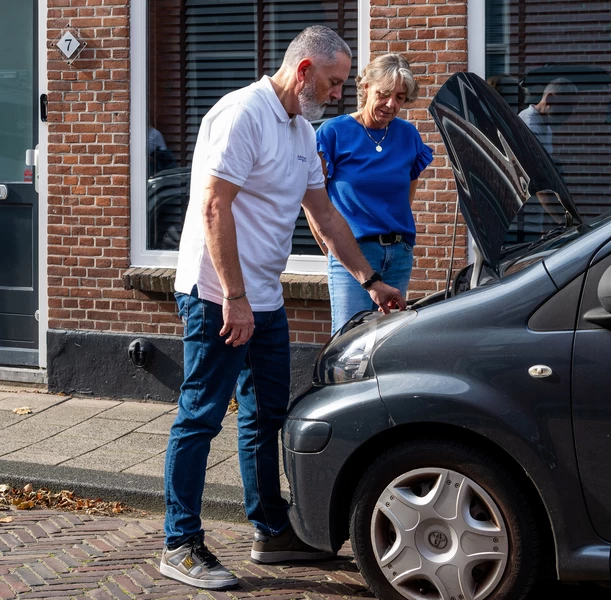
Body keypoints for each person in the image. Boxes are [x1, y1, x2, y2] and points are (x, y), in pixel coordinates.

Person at [162, 25, 406, 591]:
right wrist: (236, 298)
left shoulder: (301, 129)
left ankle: (270, 531)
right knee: (200, 416)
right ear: (303, 71)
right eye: (334, 81)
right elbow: (213, 209)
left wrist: (370, 280)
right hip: (217, 295)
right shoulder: (240, 114)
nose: (340, 93)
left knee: (264, 416)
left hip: (264, 298)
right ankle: (180, 543)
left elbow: (324, 216)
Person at [313, 53, 433, 333]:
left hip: (399, 254)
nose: (391, 104)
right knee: (348, 342)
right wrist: (334, 252)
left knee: (385, 340)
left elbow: (406, 198)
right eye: (384, 93)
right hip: (353, 254)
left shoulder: (408, 135)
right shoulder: (333, 133)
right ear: (366, 87)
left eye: (400, 98)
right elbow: (313, 204)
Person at [517, 77, 578, 156]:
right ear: (550, 99)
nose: (569, 113)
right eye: (567, 106)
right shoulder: (529, 125)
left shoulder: (545, 126)